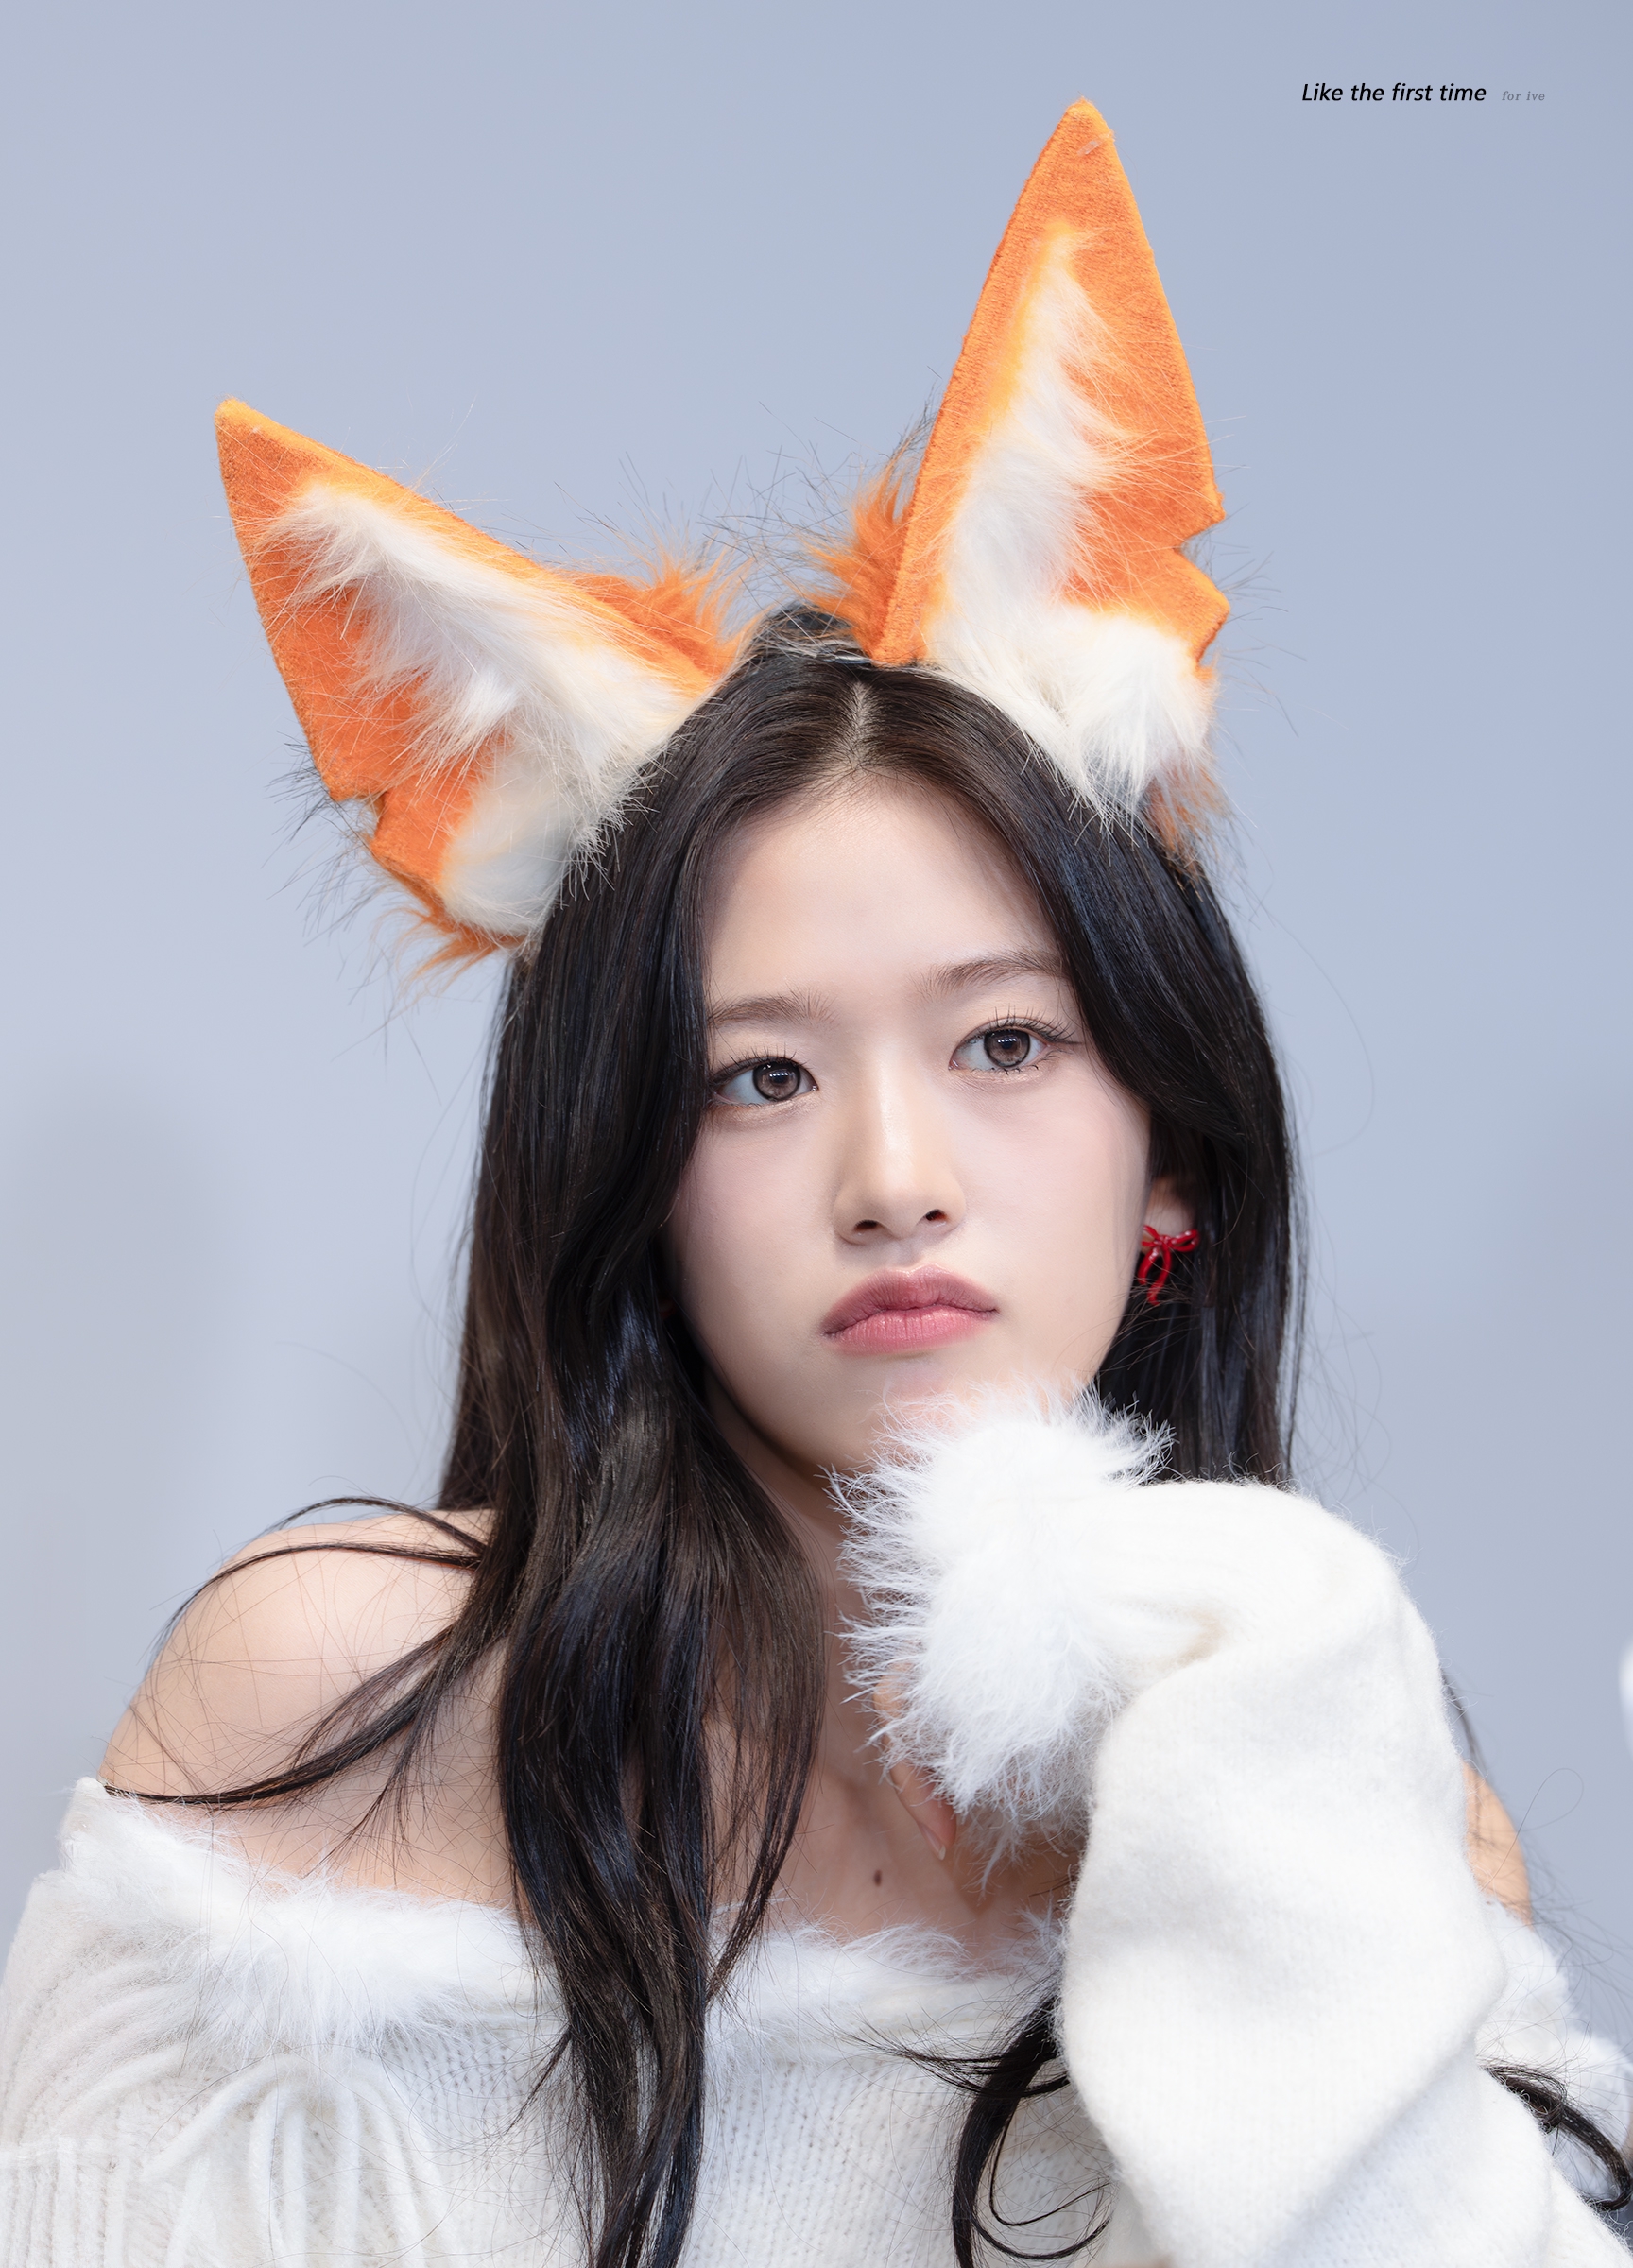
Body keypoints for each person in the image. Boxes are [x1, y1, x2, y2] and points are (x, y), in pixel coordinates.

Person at [1, 102, 1626, 2268]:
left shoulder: (1336, 1759)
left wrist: (1275, 1720)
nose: (892, 1177)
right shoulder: (343, 1692)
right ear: (630, 1186)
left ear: (1171, 1168)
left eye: (1005, 1045)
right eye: (759, 1078)